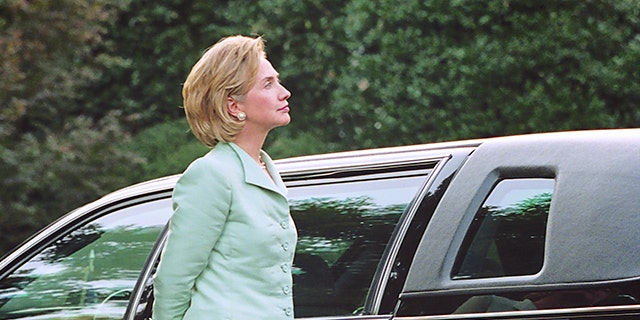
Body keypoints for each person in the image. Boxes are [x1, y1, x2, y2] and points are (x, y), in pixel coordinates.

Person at [152, 35, 296, 320]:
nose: (285, 92)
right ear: (234, 106)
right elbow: (173, 279)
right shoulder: (212, 174)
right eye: (268, 84)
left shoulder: (267, 170)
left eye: (277, 81)